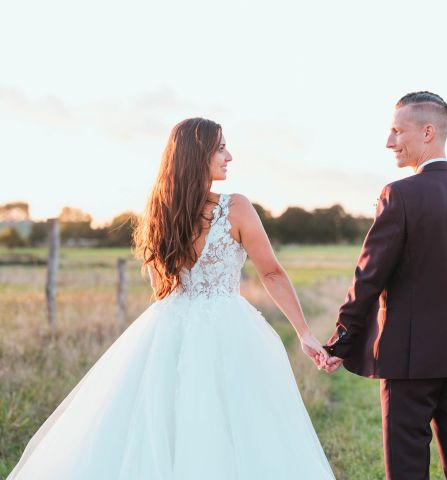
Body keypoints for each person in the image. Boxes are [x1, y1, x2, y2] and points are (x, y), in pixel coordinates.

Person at [8, 117, 335, 480]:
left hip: (169, 325)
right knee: (235, 425)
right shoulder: (236, 207)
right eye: (221, 148)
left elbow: (161, 286)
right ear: (199, 155)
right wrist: (304, 332)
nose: (230, 156)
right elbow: (271, 272)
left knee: (165, 424)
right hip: (228, 326)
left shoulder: (157, 214)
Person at [323, 91, 447, 480]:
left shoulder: (398, 195)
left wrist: (342, 341)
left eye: (396, 131)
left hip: (409, 361)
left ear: (428, 132)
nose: (389, 142)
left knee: (406, 469)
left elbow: (369, 277)